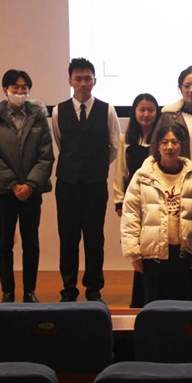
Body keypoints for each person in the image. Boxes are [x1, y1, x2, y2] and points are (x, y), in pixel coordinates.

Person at [0, 70, 54, 303]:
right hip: (4, 192)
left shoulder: (38, 117)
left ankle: (30, 291)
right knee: (4, 242)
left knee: (31, 242)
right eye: (15, 87)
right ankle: (7, 292)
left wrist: (30, 184)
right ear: (5, 90)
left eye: (24, 88)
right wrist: (12, 184)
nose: (20, 92)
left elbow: (46, 156)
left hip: (32, 192)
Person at [52, 57, 121, 303]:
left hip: (95, 186)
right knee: (68, 238)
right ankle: (68, 289)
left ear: (94, 81)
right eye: (78, 78)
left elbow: (114, 146)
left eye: (87, 79)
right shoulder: (58, 111)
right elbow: (60, 143)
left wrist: (95, 166)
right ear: (70, 81)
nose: (83, 83)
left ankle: (93, 289)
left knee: (94, 239)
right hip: (67, 185)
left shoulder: (107, 110)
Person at [120, 125, 192, 303]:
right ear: (157, 145)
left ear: (181, 145)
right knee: (153, 310)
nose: (169, 147)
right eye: (164, 142)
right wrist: (133, 253)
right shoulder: (143, 176)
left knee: (184, 311)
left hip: (184, 255)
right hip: (153, 257)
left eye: (174, 142)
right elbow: (130, 216)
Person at [114, 93, 160, 308]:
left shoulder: (162, 140)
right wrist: (119, 201)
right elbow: (120, 172)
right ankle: (140, 299)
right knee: (138, 249)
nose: (146, 114)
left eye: (150, 110)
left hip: (157, 200)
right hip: (135, 202)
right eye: (142, 110)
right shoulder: (126, 139)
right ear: (134, 112)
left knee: (154, 245)